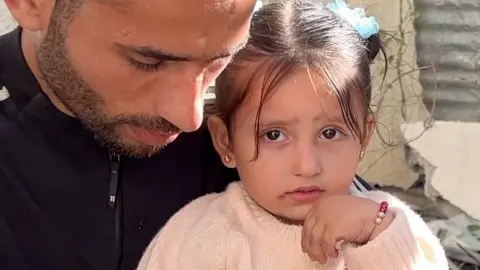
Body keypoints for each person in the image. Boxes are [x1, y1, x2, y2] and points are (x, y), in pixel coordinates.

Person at [137, 0, 449, 269]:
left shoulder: (390, 225)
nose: (307, 166)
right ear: (225, 140)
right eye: (274, 135)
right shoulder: (197, 237)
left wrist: (378, 236)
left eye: (330, 132)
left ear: (364, 136)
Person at [0, 0, 258, 269]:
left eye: (220, 61)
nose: (189, 118)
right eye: (147, 61)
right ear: (29, 4)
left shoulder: (246, 132)